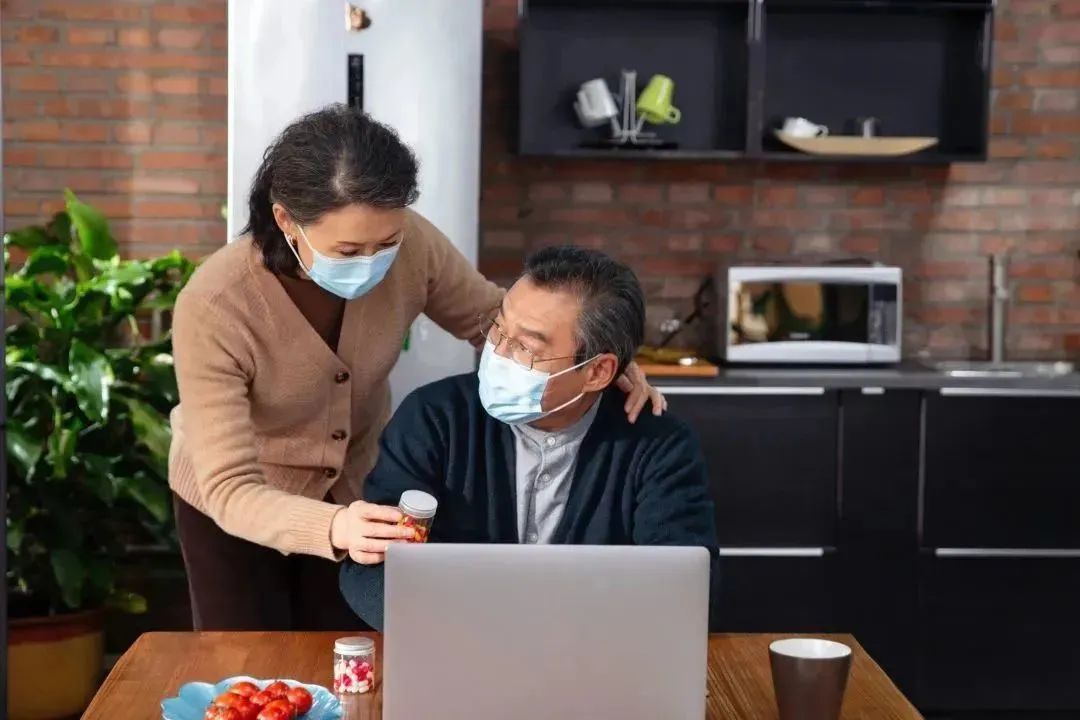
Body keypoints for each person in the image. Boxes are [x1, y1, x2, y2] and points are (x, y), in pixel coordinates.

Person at [168, 105, 665, 631]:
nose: (373, 261)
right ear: (286, 219)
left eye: (386, 243)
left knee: (351, 661)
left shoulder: (414, 246)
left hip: (355, 494)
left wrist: (595, 363)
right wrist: (333, 525)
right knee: (249, 674)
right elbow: (228, 487)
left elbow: (494, 319)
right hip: (238, 508)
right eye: (348, 249)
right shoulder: (215, 305)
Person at [339, 246, 719, 629]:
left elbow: (686, 590)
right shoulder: (434, 418)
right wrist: (477, 632)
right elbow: (372, 569)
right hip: (453, 651)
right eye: (499, 328)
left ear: (597, 372)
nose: (498, 352)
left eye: (526, 347)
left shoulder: (658, 448)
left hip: (594, 665)